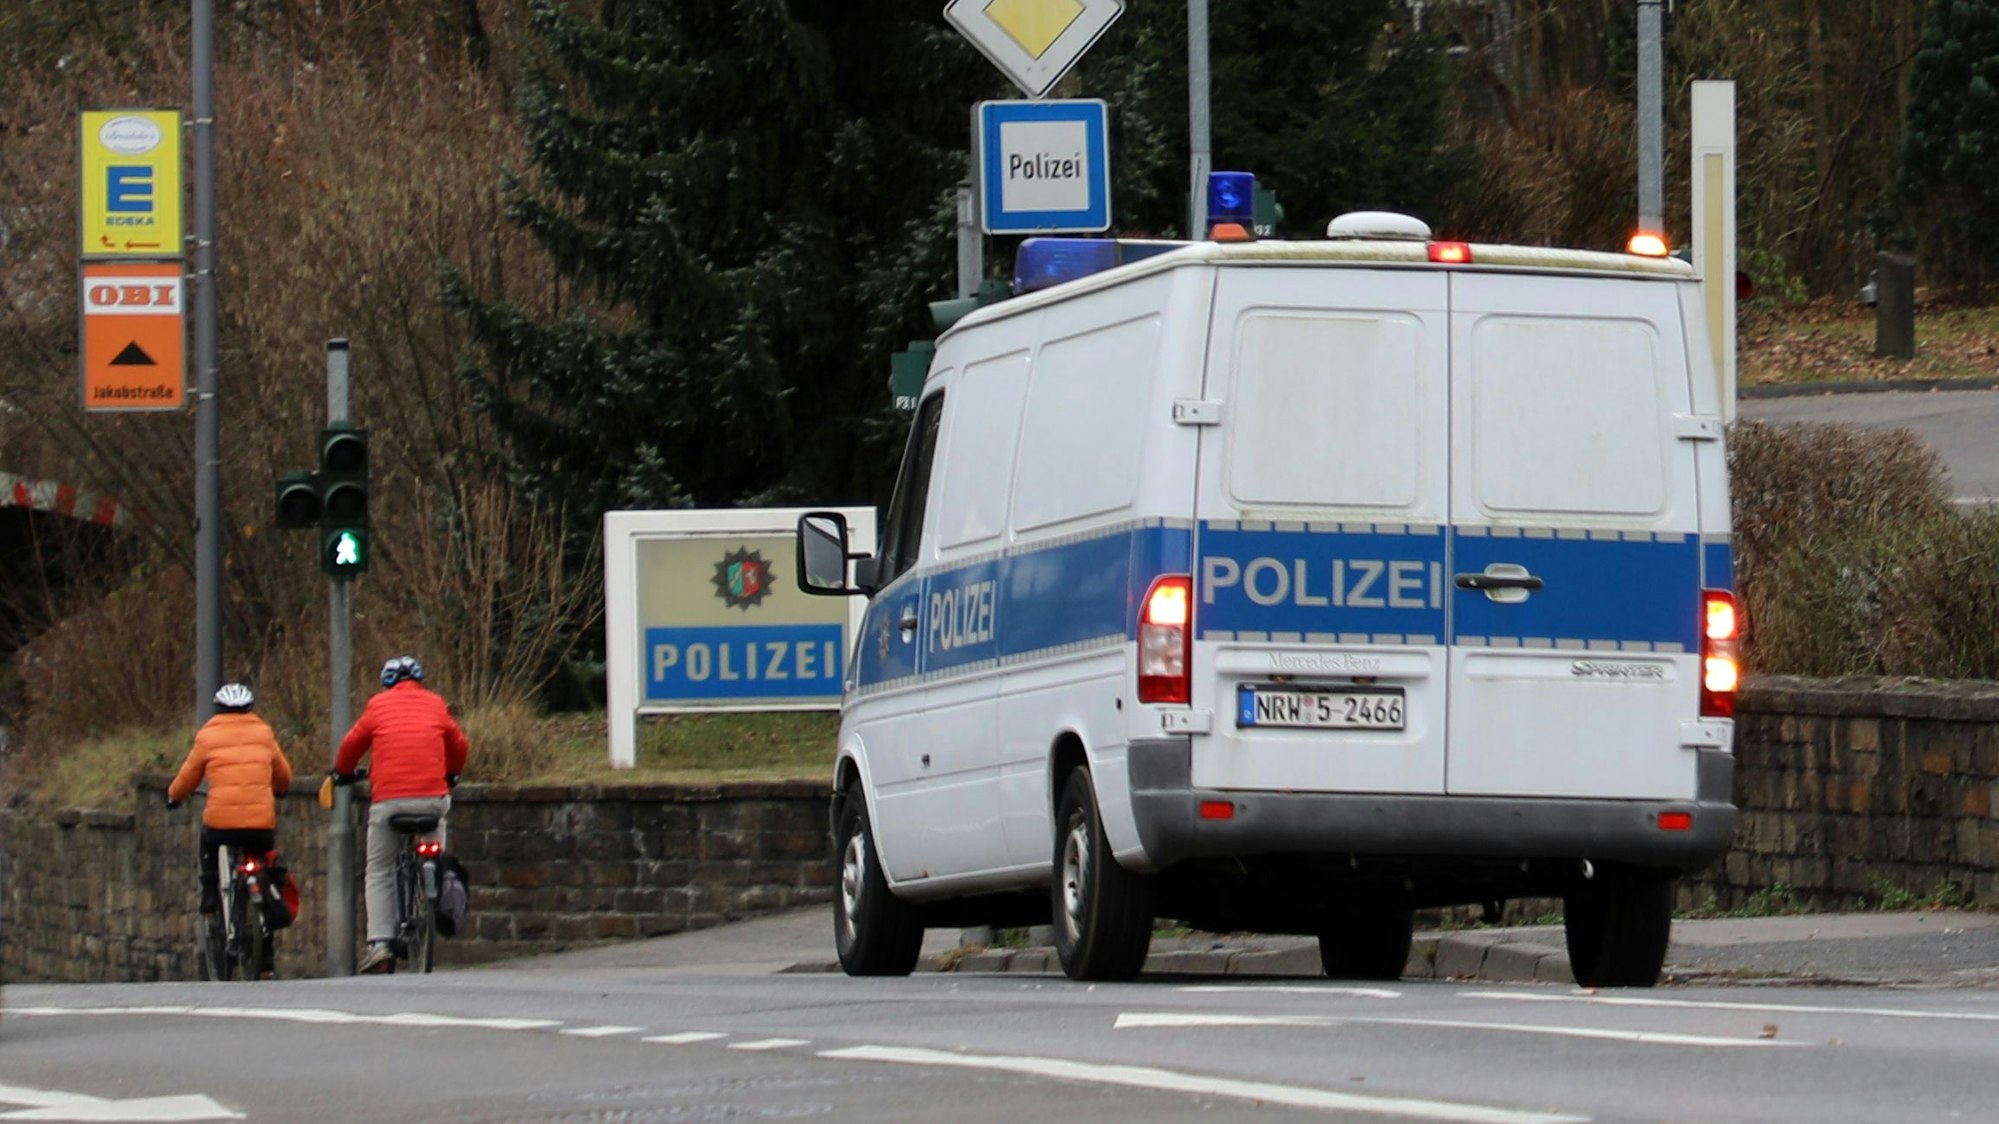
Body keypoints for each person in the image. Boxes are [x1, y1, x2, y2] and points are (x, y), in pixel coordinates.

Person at [335, 655, 470, 974]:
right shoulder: (436, 704)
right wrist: (451, 774)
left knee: (379, 868)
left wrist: (343, 773)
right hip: (431, 802)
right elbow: (460, 744)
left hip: (389, 803)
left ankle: (380, 944)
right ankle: (433, 874)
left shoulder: (377, 706)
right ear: (419, 680)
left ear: (387, 682)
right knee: (435, 842)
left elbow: (351, 744)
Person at [168, 682, 294, 978]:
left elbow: (187, 777)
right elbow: (284, 775)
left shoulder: (208, 736)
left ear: (219, 708)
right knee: (264, 869)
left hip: (221, 822)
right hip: (260, 824)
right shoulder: (264, 733)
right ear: (250, 708)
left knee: (207, 840)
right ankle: (266, 962)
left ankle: (210, 895)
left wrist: (173, 796)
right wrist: (282, 789)